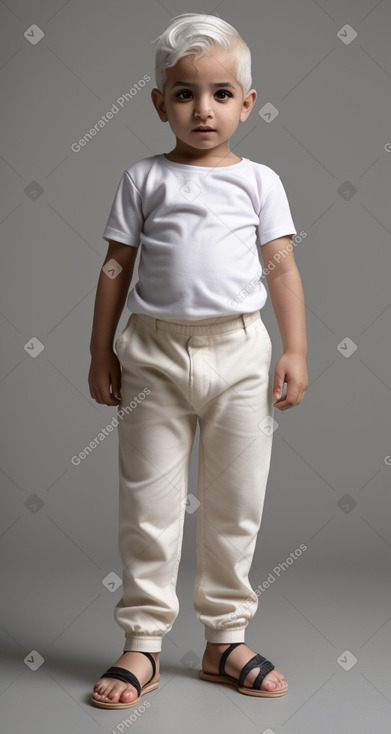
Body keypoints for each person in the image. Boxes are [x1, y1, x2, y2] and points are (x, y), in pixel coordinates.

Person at [88, 12, 308, 709]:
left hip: (240, 351)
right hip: (152, 353)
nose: (201, 108)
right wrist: (100, 349)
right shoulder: (144, 179)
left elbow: (280, 269)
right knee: (148, 503)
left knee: (234, 502)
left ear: (247, 103)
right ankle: (143, 642)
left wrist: (295, 347)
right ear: (159, 103)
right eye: (184, 93)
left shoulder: (259, 181)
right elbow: (115, 268)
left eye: (219, 93)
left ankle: (224, 638)